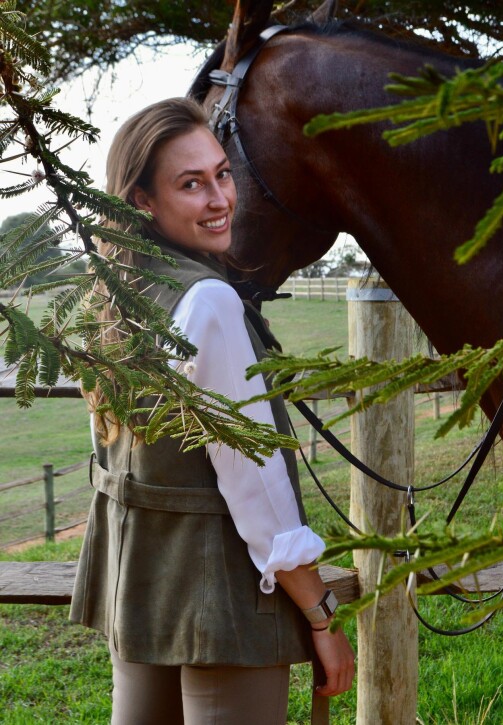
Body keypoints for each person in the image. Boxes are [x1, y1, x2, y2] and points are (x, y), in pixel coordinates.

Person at [70, 97, 355, 725]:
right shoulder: (208, 300)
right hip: (221, 599)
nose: (220, 198)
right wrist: (320, 613)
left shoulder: (111, 292)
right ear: (143, 199)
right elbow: (253, 483)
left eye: (222, 174)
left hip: (141, 588)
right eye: (191, 184)